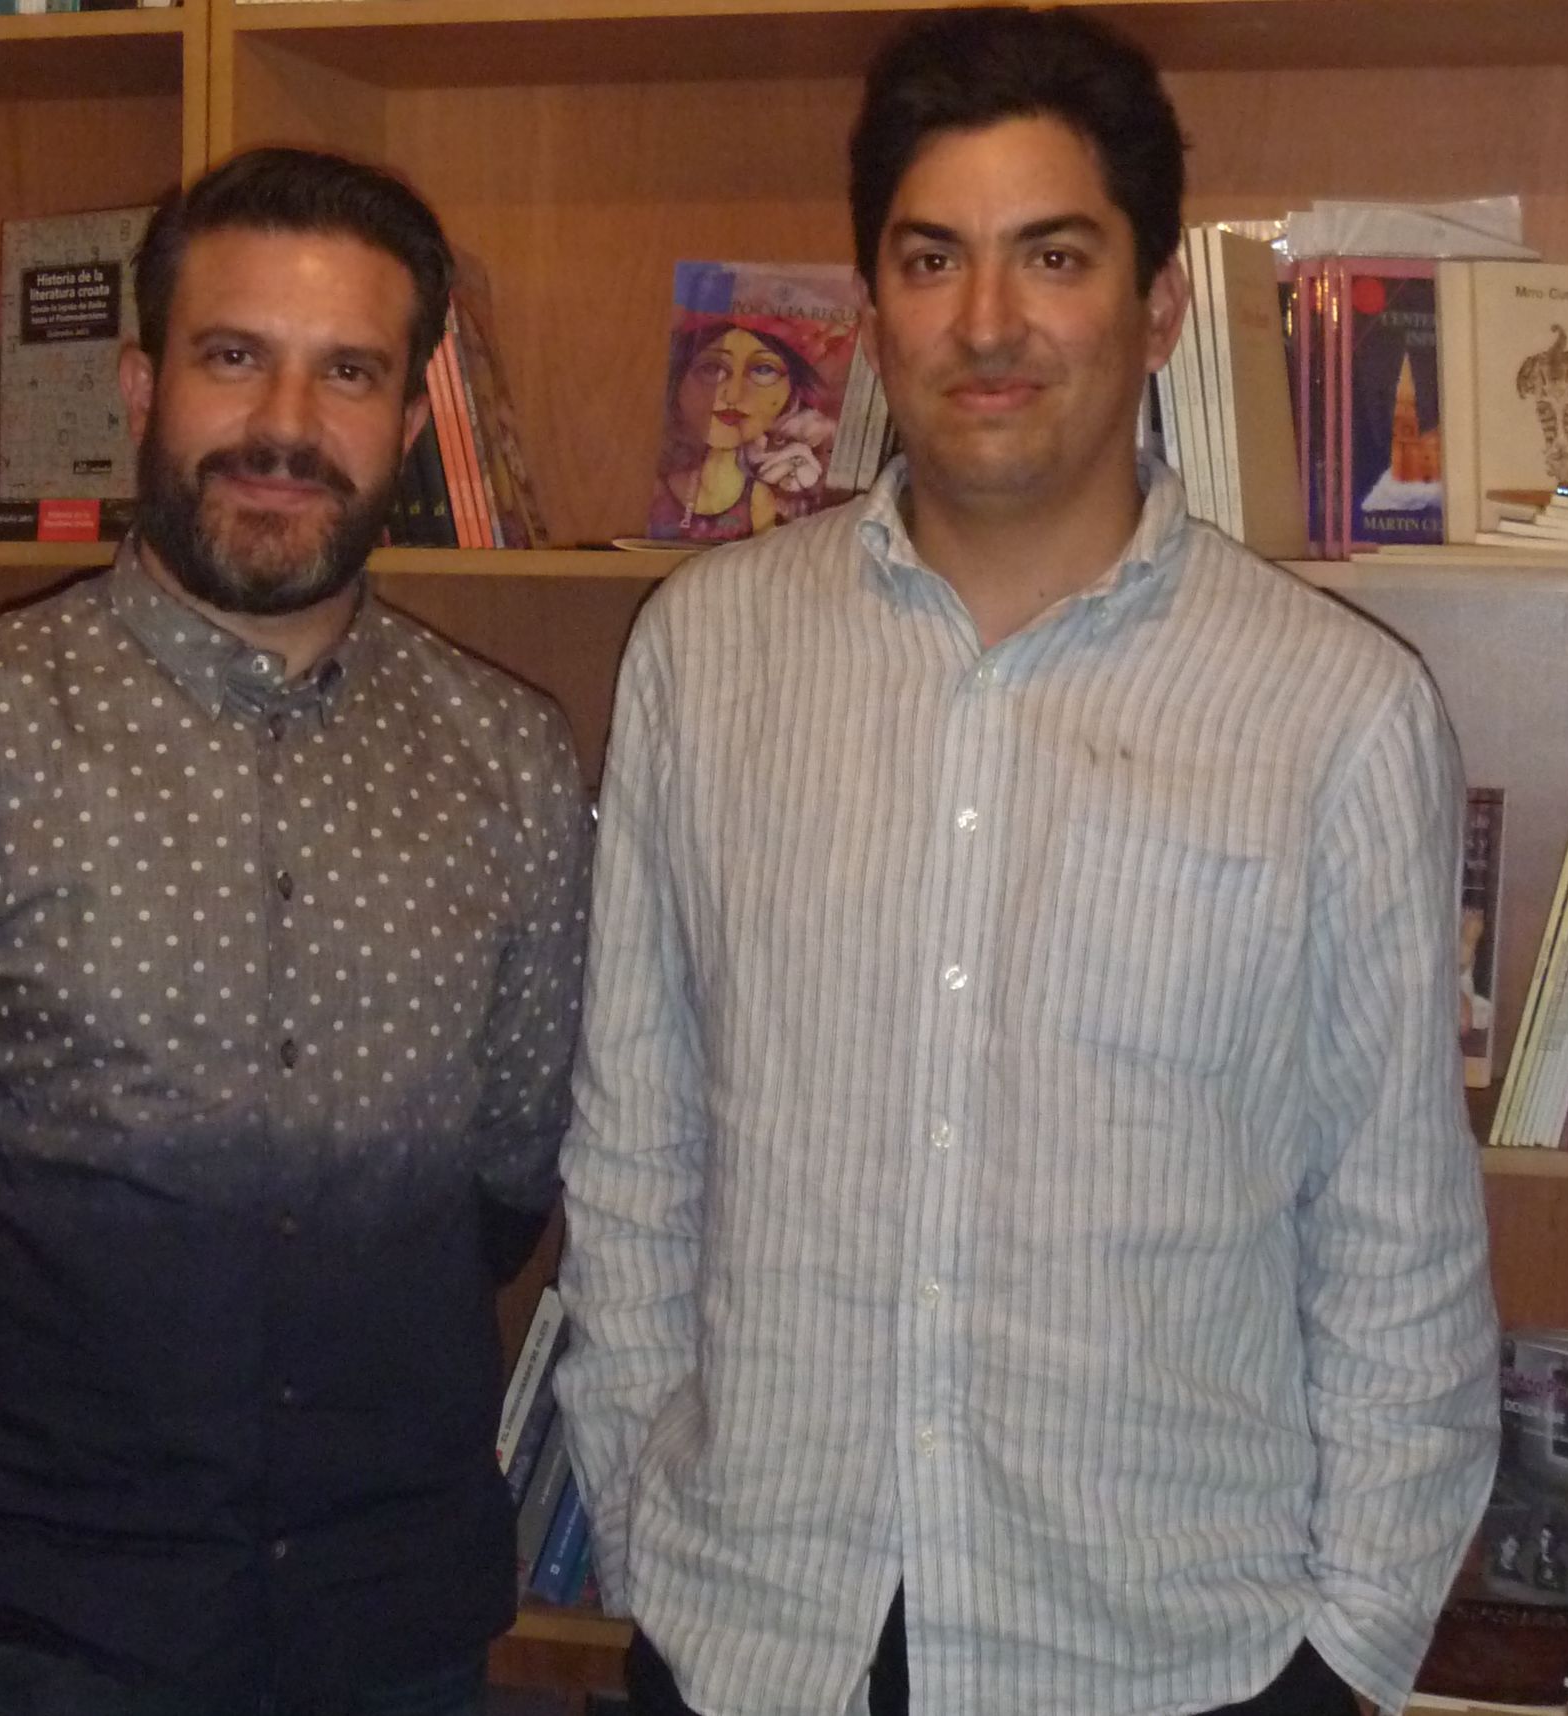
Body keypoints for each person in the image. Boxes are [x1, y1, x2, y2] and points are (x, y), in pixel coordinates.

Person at [556, 9, 1498, 1716]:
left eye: (1052, 257)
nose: (986, 322)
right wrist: (635, 1510)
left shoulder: (1338, 714)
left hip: (1171, 1657)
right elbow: (638, 1145)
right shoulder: (706, 656)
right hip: (759, 1635)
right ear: (871, 308)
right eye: (932, 259)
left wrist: (1350, 1646)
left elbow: (1393, 1235)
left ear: (1157, 307)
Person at [0, 145, 594, 1716]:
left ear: (408, 427)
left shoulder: (514, 762)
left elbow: (503, 1183)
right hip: (53, 1627)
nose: (286, 424)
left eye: (348, 372)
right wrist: (20, 1442)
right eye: (233, 356)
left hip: (391, 1612)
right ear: (142, 385)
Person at [650, 315, 841, 540]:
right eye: (711, 368)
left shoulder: (762, 497)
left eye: (763, 370)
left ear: (792, 394)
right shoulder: (649, 482)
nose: (733, 395)